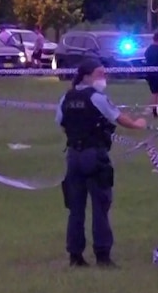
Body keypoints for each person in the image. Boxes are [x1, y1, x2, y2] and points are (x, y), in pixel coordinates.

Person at [55, 58, 147, 267]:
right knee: (101, 205)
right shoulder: (97, 98)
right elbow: (118, 117)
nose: (103, 78)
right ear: (87, 76)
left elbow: (61, 123)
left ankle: (75, 255)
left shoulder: (66, 98)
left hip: (73, 156)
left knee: (75, 209)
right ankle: (103, 255)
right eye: (99, 74)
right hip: (94, 156)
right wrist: (138, 124)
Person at [143, 33, 158, 116]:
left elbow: (146, 59)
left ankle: (154, 109)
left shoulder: (148, 49)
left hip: (149, 73)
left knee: (153, 92)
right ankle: (155, 110)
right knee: (157, 93)